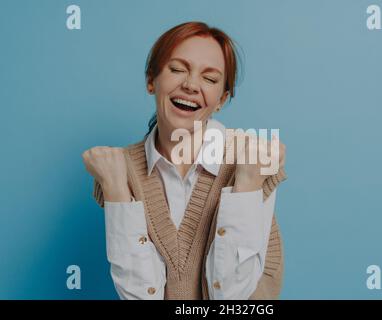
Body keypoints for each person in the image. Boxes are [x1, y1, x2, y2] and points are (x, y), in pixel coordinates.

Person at [82, 21, 286, 300]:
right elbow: (141, 296)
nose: (190, 85)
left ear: (221, 99)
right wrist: (116, 187)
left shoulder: (254, 160)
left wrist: (247, 183)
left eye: (210, 79)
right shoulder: (117, 169)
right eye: (177, 69)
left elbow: (232, 298)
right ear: (151, 81)